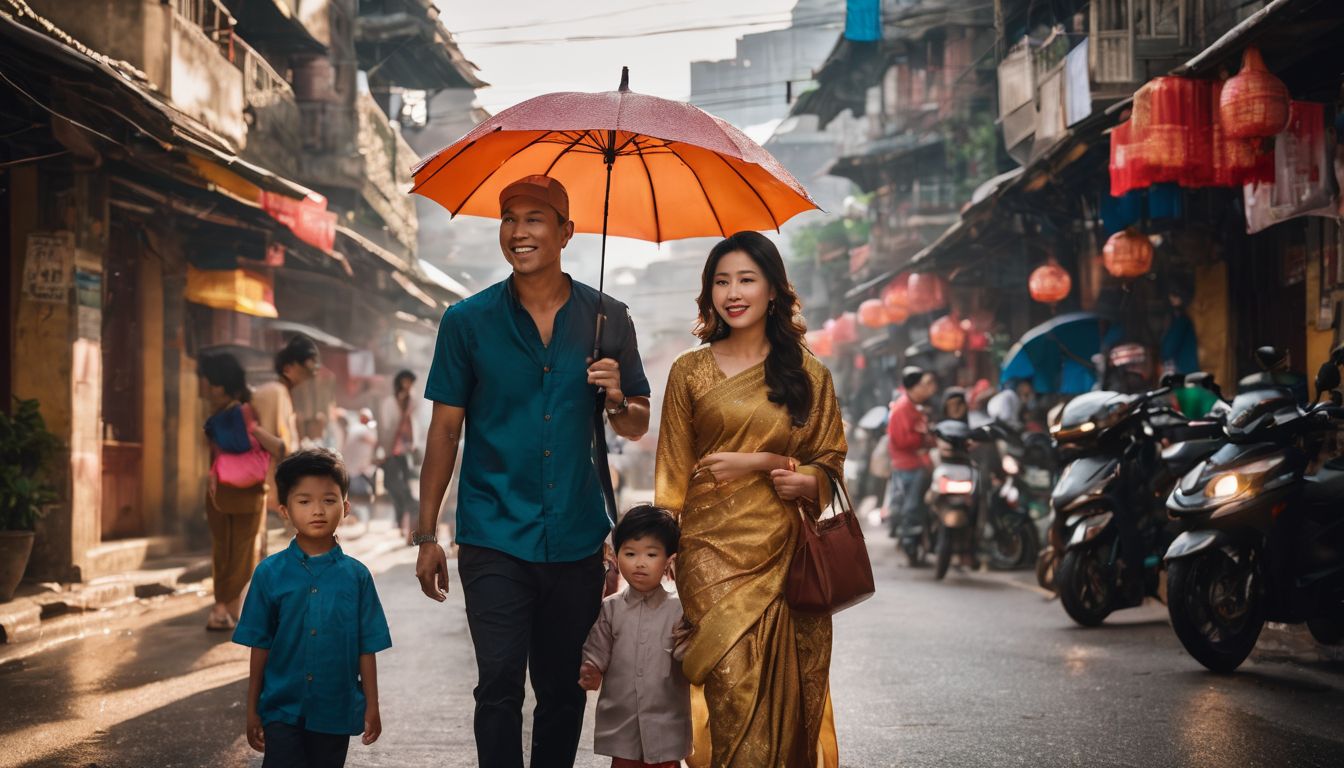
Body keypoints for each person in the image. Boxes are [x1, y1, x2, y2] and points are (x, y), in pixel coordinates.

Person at [413, 174, 652, 768]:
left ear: (567, 232)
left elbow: (636, 424)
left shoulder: (608, 319)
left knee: (562, 690)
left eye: (535, 219)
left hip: (575, 535)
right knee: (496, 683)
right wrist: (426, 534)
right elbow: (445, 431)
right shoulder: (466, 322)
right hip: (493, 533)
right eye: (509, 219)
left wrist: (617, 394)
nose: (518, 232)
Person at [655, 231, 846, 768]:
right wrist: (663, 540)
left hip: (785, 553)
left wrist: (782, 469)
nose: (732, 292)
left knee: (785, 697)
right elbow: (672, 467)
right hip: (707, 554)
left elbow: (828, 460)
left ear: (772, 290)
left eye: (745, 279)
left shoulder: (808, 375)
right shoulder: (687, 371)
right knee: (731, 688)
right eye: (721, 281)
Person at [233, 448, 392, 768]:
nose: (317, 510)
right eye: (304, 501)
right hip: (281, 706)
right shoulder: (269, 573)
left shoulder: (357, 576)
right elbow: (260, 644)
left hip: (335, 708)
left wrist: (372, 704)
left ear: (346, 507)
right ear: (285, 511)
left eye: (329, 500)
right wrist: (253, 708)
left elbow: (366, 646)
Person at [579, 505, 691, 768]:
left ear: (669, 561)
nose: (640, 563)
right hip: (623, 717)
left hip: (667, 719)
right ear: (617, 557)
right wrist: (591, 668)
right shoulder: (611, 608)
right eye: (630, 553)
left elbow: (689, 653)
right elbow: (598, 647)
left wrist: (690, 655)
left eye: (651, 554)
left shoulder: (680, 610)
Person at [200, 353, 284, 632]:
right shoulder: (245, 411)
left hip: (219, 491)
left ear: (223, 385)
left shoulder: (220, 416)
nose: (206, 389)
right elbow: (275, 446)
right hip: (246, 490)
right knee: (243, 553)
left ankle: (221, 608)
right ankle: (224, 609)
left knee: (224, 552)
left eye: (210, 383)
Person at [253, 334, 321, 517]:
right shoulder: (275, 392)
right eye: (305, 368)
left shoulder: (281, 393)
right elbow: (279, 446)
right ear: (289, 367)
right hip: (265, 489)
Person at [887, 367, 937, 545]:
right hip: (908, 464)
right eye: (923, 385)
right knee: (912, 505)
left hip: (918, 462)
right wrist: (923, 440)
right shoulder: (902, 408)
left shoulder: (916, 406)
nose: (927, 389)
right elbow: (901, 440)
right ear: (914, 387)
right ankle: (909, 540)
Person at [379, 370, 422, 544]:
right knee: (394, 485)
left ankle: (408, 526)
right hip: (391, 449)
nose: (408, 386)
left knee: (406, 487)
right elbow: (386, 426)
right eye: (405, 382)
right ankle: (401, 518)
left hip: (407, 451)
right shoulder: (389, 402)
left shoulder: (413, 400)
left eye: (410, 382)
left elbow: (415, 422)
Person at [341, 408, 379, 525]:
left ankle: (360, 520)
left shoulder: (355, 428)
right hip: (355, 471)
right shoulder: (360, 430)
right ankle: (364, 520)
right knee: (363, 496)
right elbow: (374, 441)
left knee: (355, 496)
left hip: (354, 470)